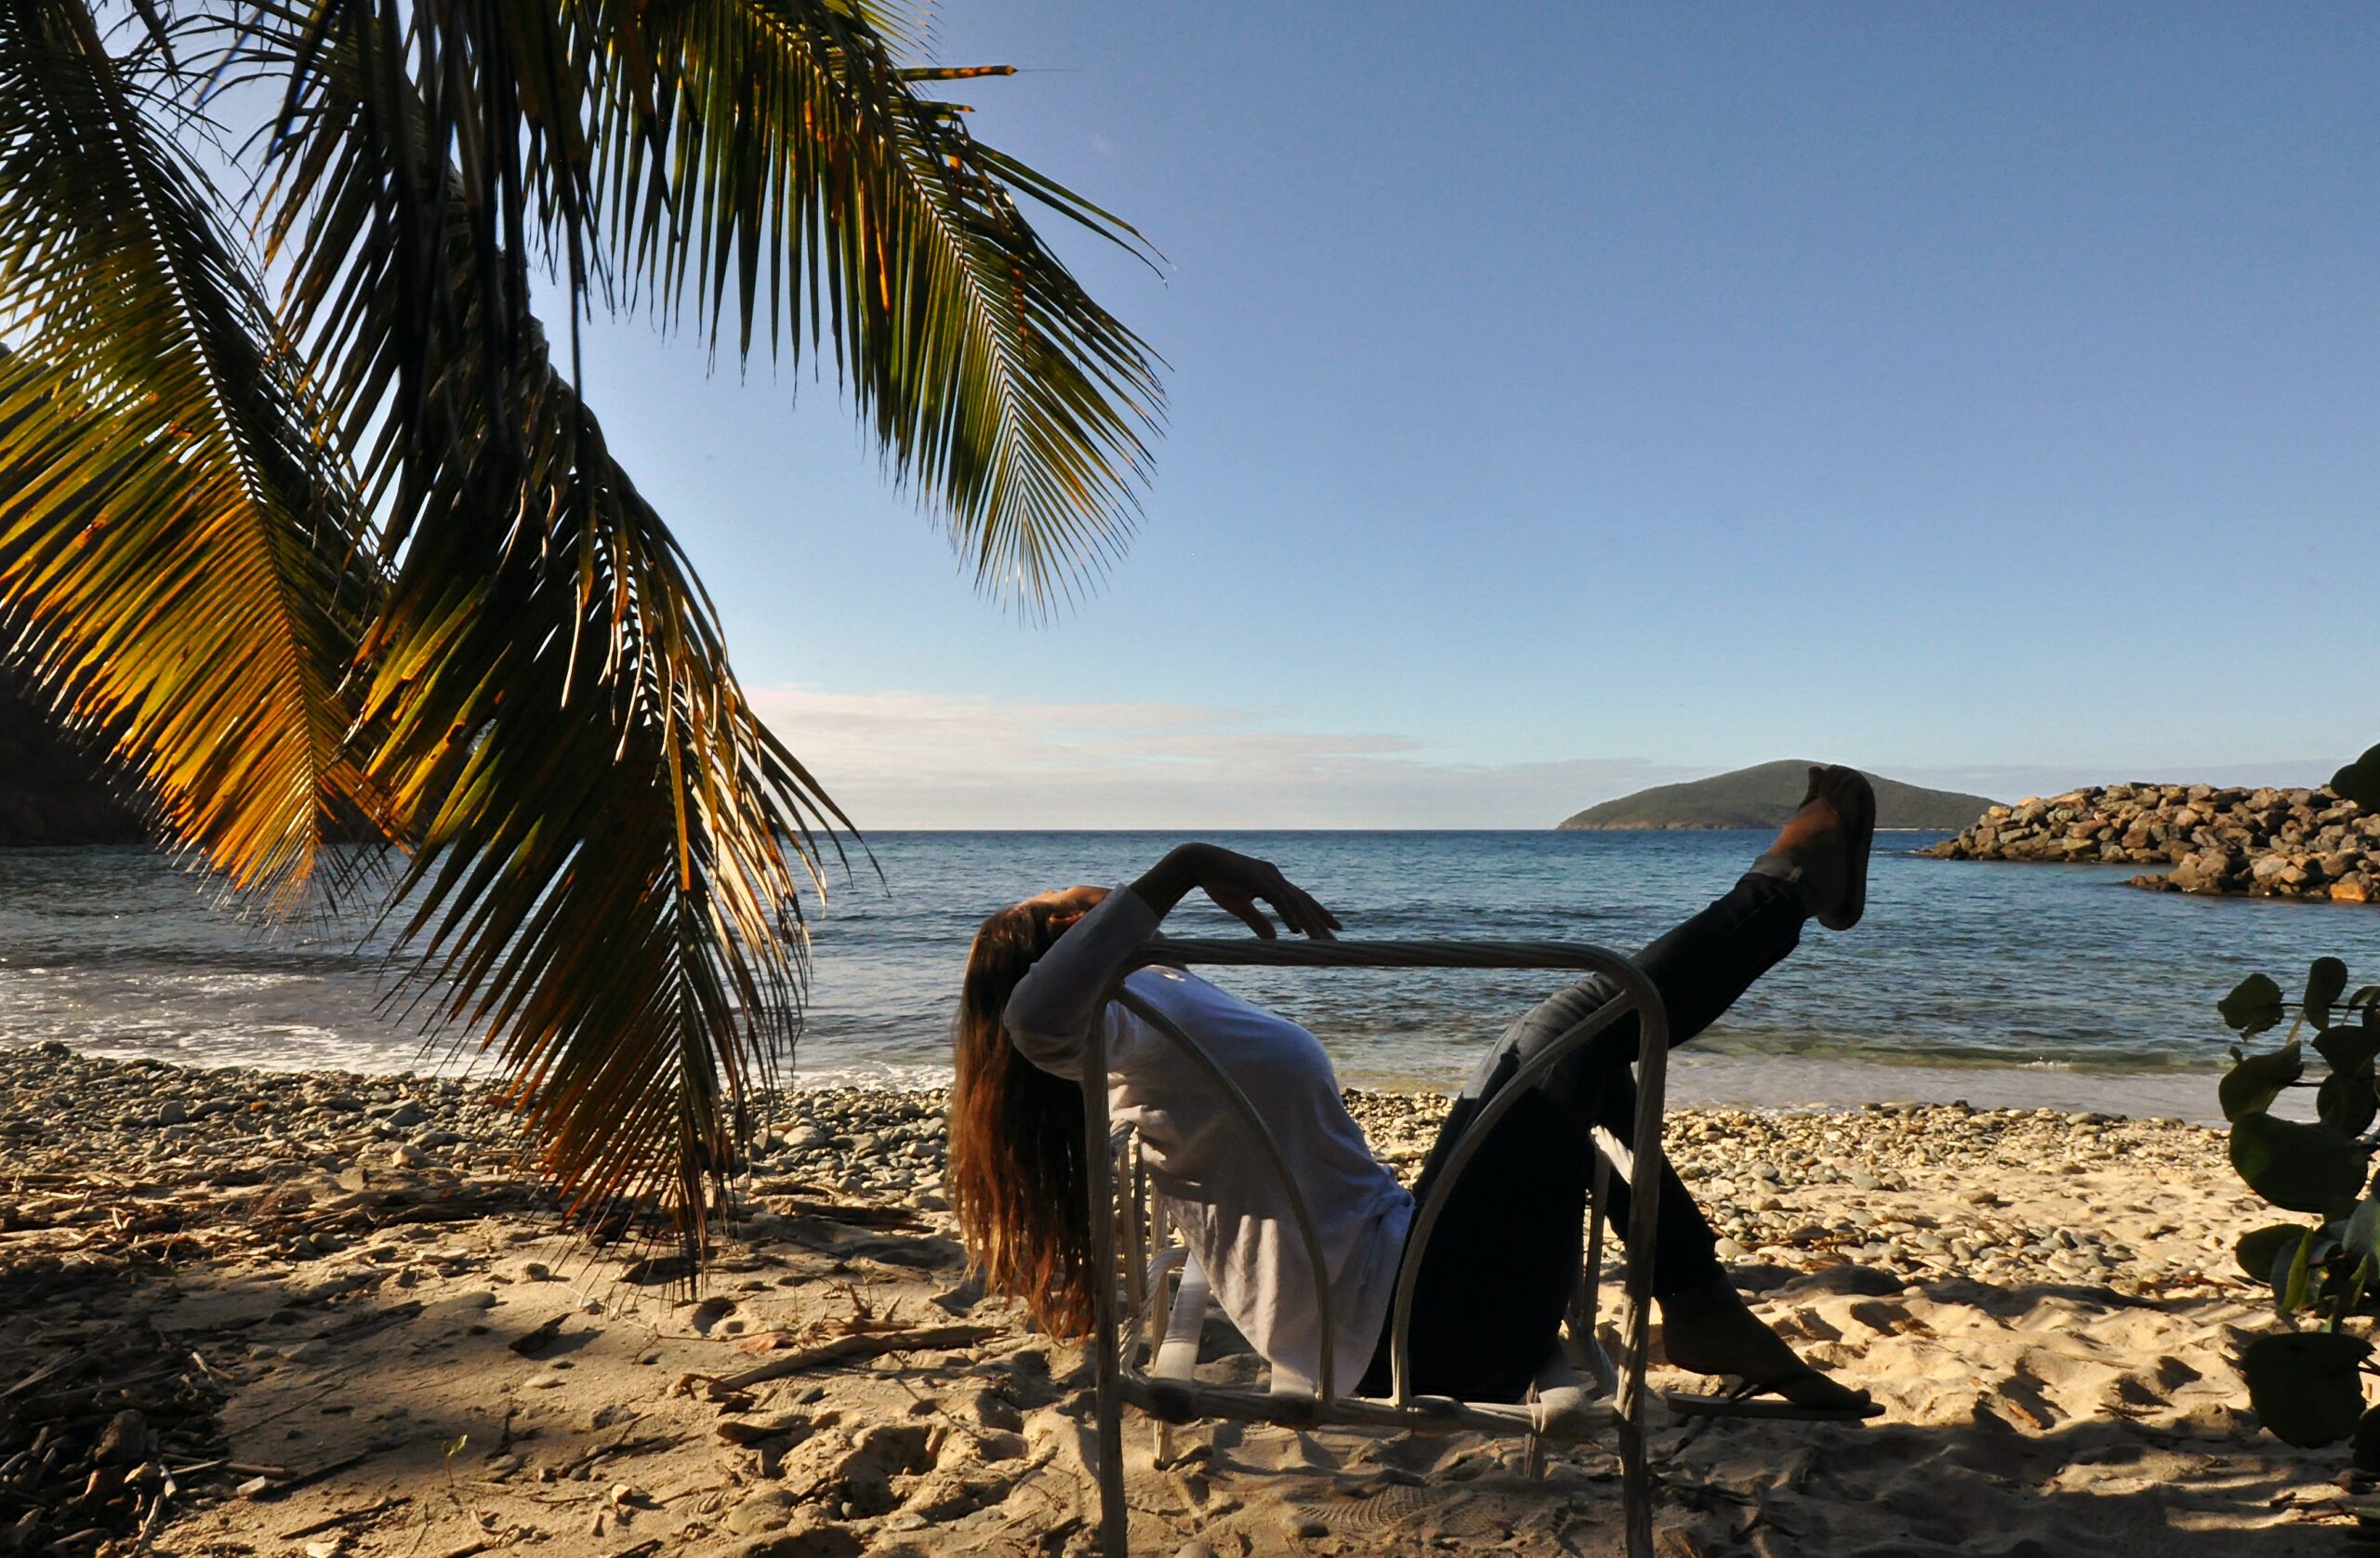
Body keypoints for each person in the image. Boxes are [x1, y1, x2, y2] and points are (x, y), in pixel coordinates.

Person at [947, 766, 1879, 1414]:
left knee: (1567, 1044)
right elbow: (1030, 1018)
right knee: (1578, 1023)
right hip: (1412, 1331)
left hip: (1416, 1274)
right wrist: (1189, 863)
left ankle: (1700, 1299)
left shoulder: (1156, 1001)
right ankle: (1790, 880)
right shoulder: (1110, 1024)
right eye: (1072, 905)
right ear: (1071, 937)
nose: (1095, 894)